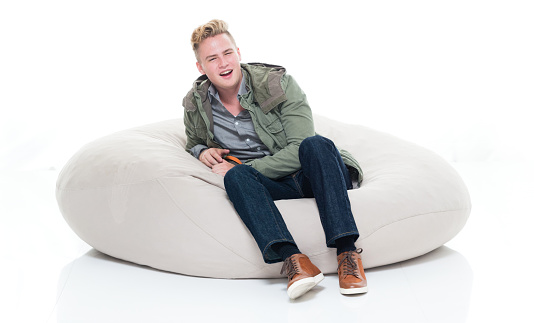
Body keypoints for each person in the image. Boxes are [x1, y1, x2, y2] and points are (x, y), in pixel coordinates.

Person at [183, 19, 367, 300]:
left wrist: (247, 166)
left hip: (313, 174)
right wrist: (200, 151)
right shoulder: (196, 103)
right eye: (212, 58)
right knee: (236, 176)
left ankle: (347, 253)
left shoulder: (277, 83)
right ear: (201, 67)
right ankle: (295, 262)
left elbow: (298, 149)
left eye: (227, 53)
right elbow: (193, 141)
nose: (223, 63)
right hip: (273, 185)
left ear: (239, 52)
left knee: (315, 144)